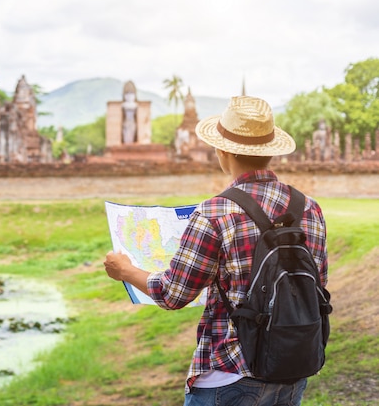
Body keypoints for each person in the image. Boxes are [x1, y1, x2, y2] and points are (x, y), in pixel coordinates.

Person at [103, 96, 328, 406]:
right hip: (293, 365)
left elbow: (173, 294)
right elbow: (318, 285)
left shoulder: (216, 212)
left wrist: (125, 271)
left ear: (222, 150)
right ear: (270, 151)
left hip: (230, 371)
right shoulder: (309, 208)